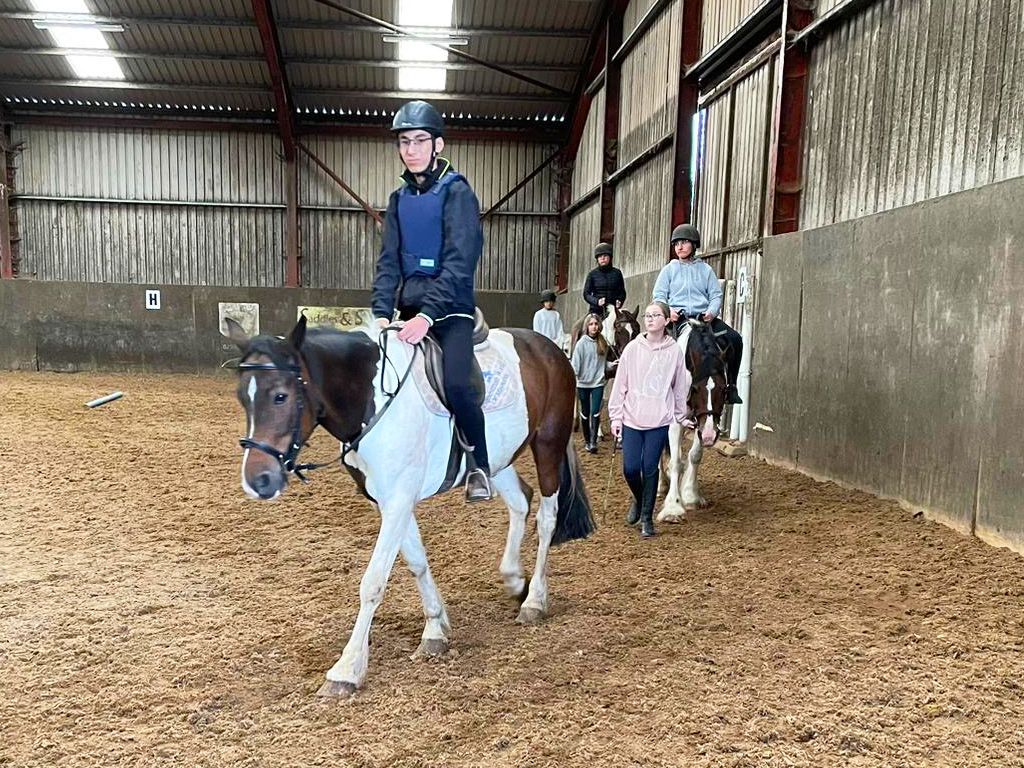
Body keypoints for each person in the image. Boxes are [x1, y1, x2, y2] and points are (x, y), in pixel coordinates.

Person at [370, 100, 493, 503]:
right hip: (406, 314)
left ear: (437, 144)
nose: (411, 149)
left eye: (420, 140)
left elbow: (460, 261)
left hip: (451, 310)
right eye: (405, 141)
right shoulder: (398, 200)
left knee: (458, 383)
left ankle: (479, 465)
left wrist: (427, 314)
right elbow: (388, 262)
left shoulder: (457, 192)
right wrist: (380, 312)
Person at [608, 301, 691, 538]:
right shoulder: (633, 349)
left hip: (659, 420)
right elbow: (620, 385)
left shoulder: (674, 351)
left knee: (650, 468)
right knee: (631, 469)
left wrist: (680, 416)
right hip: (632, 419)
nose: (650, 319)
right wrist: (616, 417)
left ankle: (646, 517)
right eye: (647, 315)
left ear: (666, 320)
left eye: (655, 315)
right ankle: (638, 497)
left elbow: (678, 387)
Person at [652, 224, 743, 405]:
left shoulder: (705, 270)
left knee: (735, 338)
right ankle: (658, 388)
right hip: (679, 319)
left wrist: (711, 312)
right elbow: (659, 296)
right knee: (657, 346)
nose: (679, 247)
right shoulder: (669, 270)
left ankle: (731, 386)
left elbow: (716, 295)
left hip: (704, 319)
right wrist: (669, 311)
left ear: (694, 245)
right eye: (676, 243)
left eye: (684, 242)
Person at [571, 313, 616, 454]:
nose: (594, 327)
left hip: (597, 383)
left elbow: (602, 363)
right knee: (585, 413)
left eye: (596, 324)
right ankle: (587, 440)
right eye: (591, 324)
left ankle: (593, 442)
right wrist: (575, 377)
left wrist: (611, 364)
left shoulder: (602, 342)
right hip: (583, 384)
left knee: (595, 412)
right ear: (587, 327)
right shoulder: (581, 344)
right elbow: (576, 365)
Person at [582, 242, 626, 317]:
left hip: (613, 310)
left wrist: (620, 301)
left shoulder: (617, 273)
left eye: (605, 256)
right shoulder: (592, 274)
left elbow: (622, 292)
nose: (602, 258)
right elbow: (586, 294)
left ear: (610, 257)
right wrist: (597, 301)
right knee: (578, 327)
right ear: (597, 259)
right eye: (600, 256)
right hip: (596, 311)